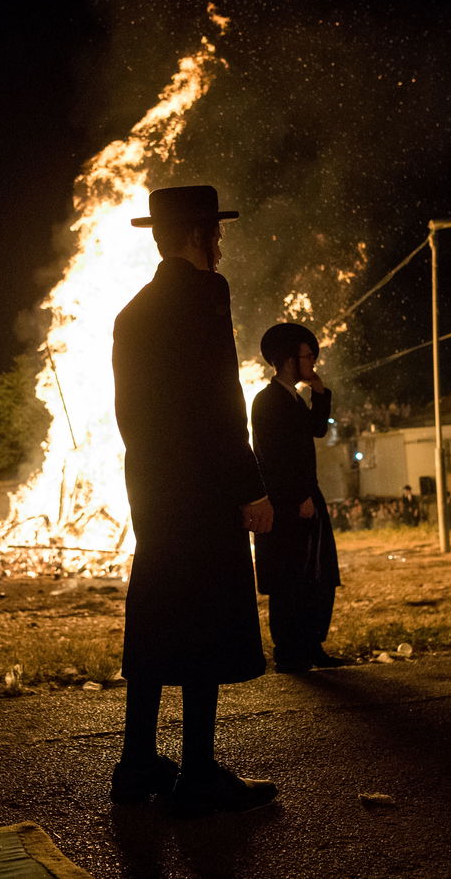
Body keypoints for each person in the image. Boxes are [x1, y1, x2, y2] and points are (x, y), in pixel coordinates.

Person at [111, 184, 278, 816]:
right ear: (199, 236)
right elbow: (219, 396)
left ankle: (135, 764)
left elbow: (130, 415)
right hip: (204, 490)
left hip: (153, 491)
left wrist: (149, 481)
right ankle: (200, 771)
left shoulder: (132, 312)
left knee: (157, 617)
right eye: (216, 232)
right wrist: (249, 485)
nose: (221, 243)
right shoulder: (208, 293)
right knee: (208, 618)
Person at [251, 323, 345, 673]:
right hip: (289, 502)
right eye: (308, 356)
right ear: (290, 359)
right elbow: (274, 459)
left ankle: (312, 645)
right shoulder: (268, 401)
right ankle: (289, 652)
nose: (313, 362)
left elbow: (317, 428)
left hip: (307, 496)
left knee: (317, 575)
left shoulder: (291, 398)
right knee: (289, 579)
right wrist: (298, 498)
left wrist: (318, 389)